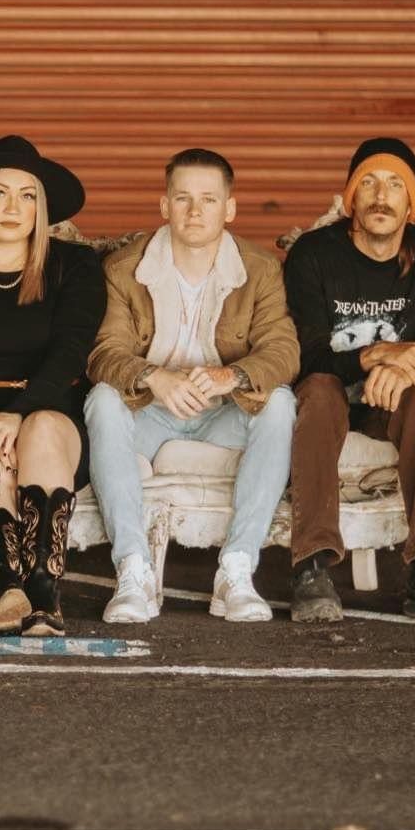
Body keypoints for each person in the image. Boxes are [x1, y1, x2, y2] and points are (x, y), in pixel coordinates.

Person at [85, 148, 299, 623]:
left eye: (208, 199)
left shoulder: (260, 269)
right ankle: (133, 571)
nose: (195, 211)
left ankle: (237, 569)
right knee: (102, 400)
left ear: (230, 208)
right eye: (183, 199)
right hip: (151, 410)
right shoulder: (124, 269)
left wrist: (233, 376)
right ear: (165, 206)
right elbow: (104, 353)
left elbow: (284, 352)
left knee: (280, 403)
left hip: (223, 412)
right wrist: (153, 376)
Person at [284, 137, 415, 624]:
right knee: (321, 391)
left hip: (390, 402)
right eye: (367, 182)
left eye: (395, 184)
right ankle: (312, 566)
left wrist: (404, 364)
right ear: (350, 197)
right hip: (328, 393)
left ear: (411, 202)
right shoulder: (313, 254)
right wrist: (375, 355)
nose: (380, 195)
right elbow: (307, 356)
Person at [0, 136, 106, 636]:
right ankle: (4, 588)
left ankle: (45, 589)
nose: (14, 208)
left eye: (28, 196)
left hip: (52, 413)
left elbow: (70, 354)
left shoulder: (75, 266)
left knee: (43, 428)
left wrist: (19, 413)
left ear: (42, 207)